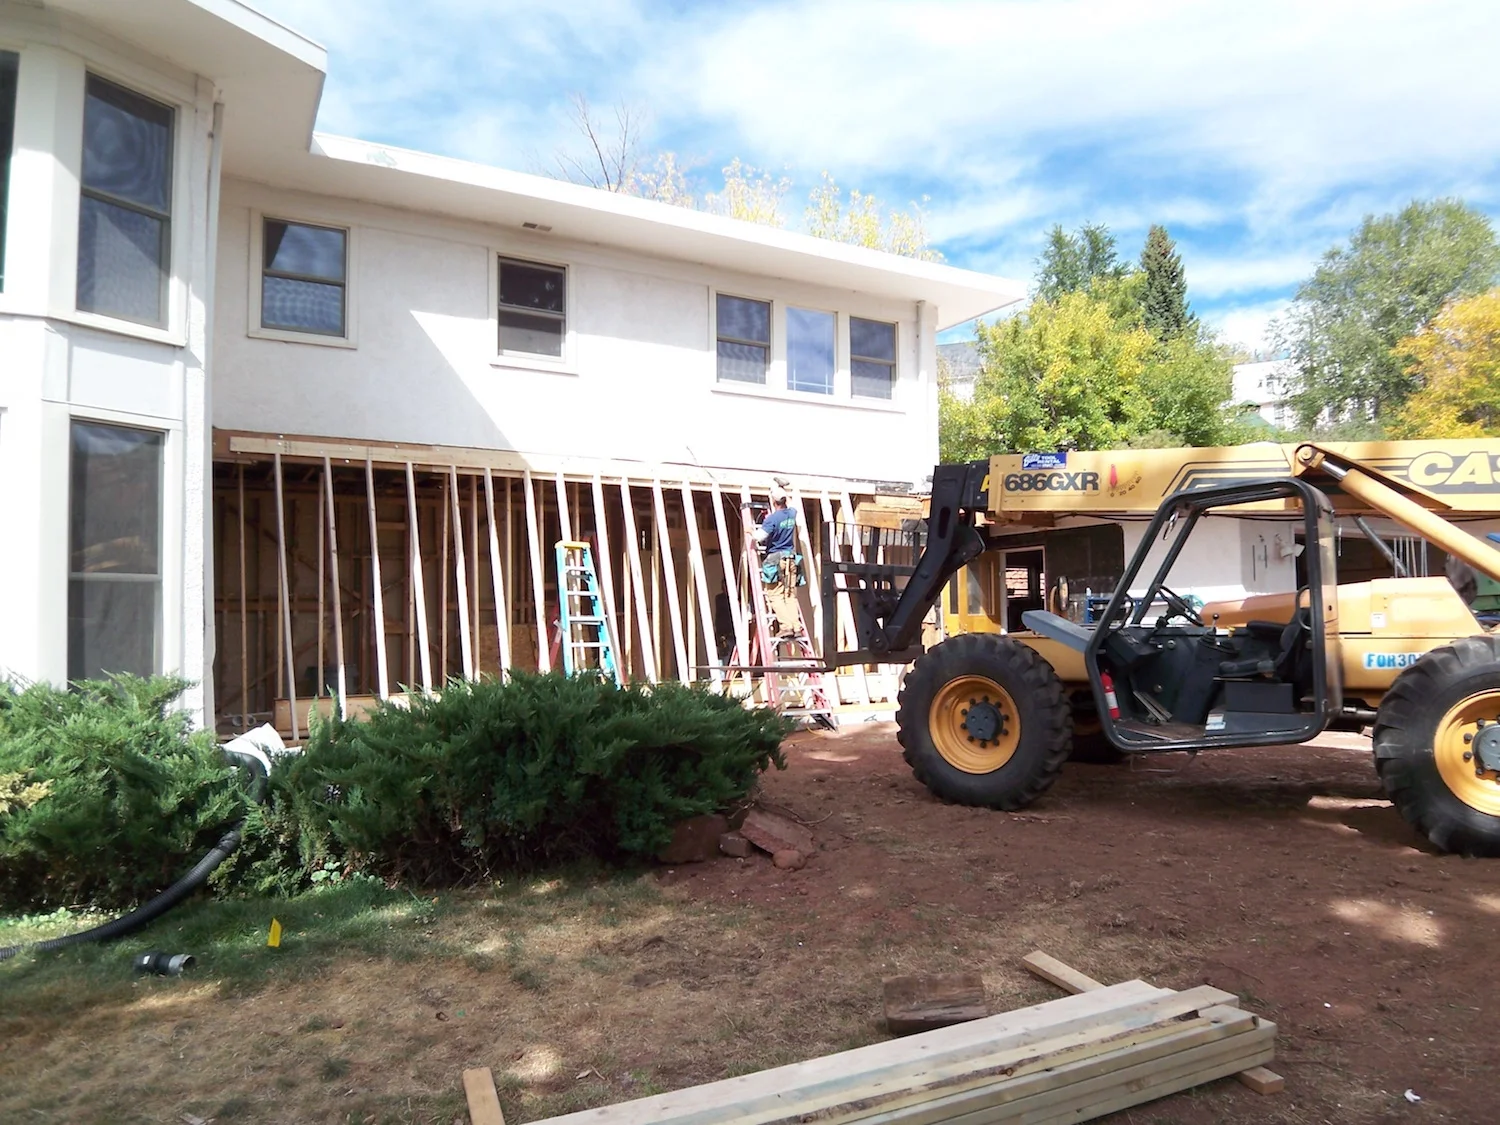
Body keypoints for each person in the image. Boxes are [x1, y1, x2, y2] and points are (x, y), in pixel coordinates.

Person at [753, 487, 802, 638]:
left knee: (774, 594)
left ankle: (786, 627)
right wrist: (784, 489)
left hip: (775, 559)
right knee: (789, 594)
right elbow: (793, 504)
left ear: (774, 502)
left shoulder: (772, 519)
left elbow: (759, 537)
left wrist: (750, 531)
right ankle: (796, 627)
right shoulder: (792, 513)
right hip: (791, 558)